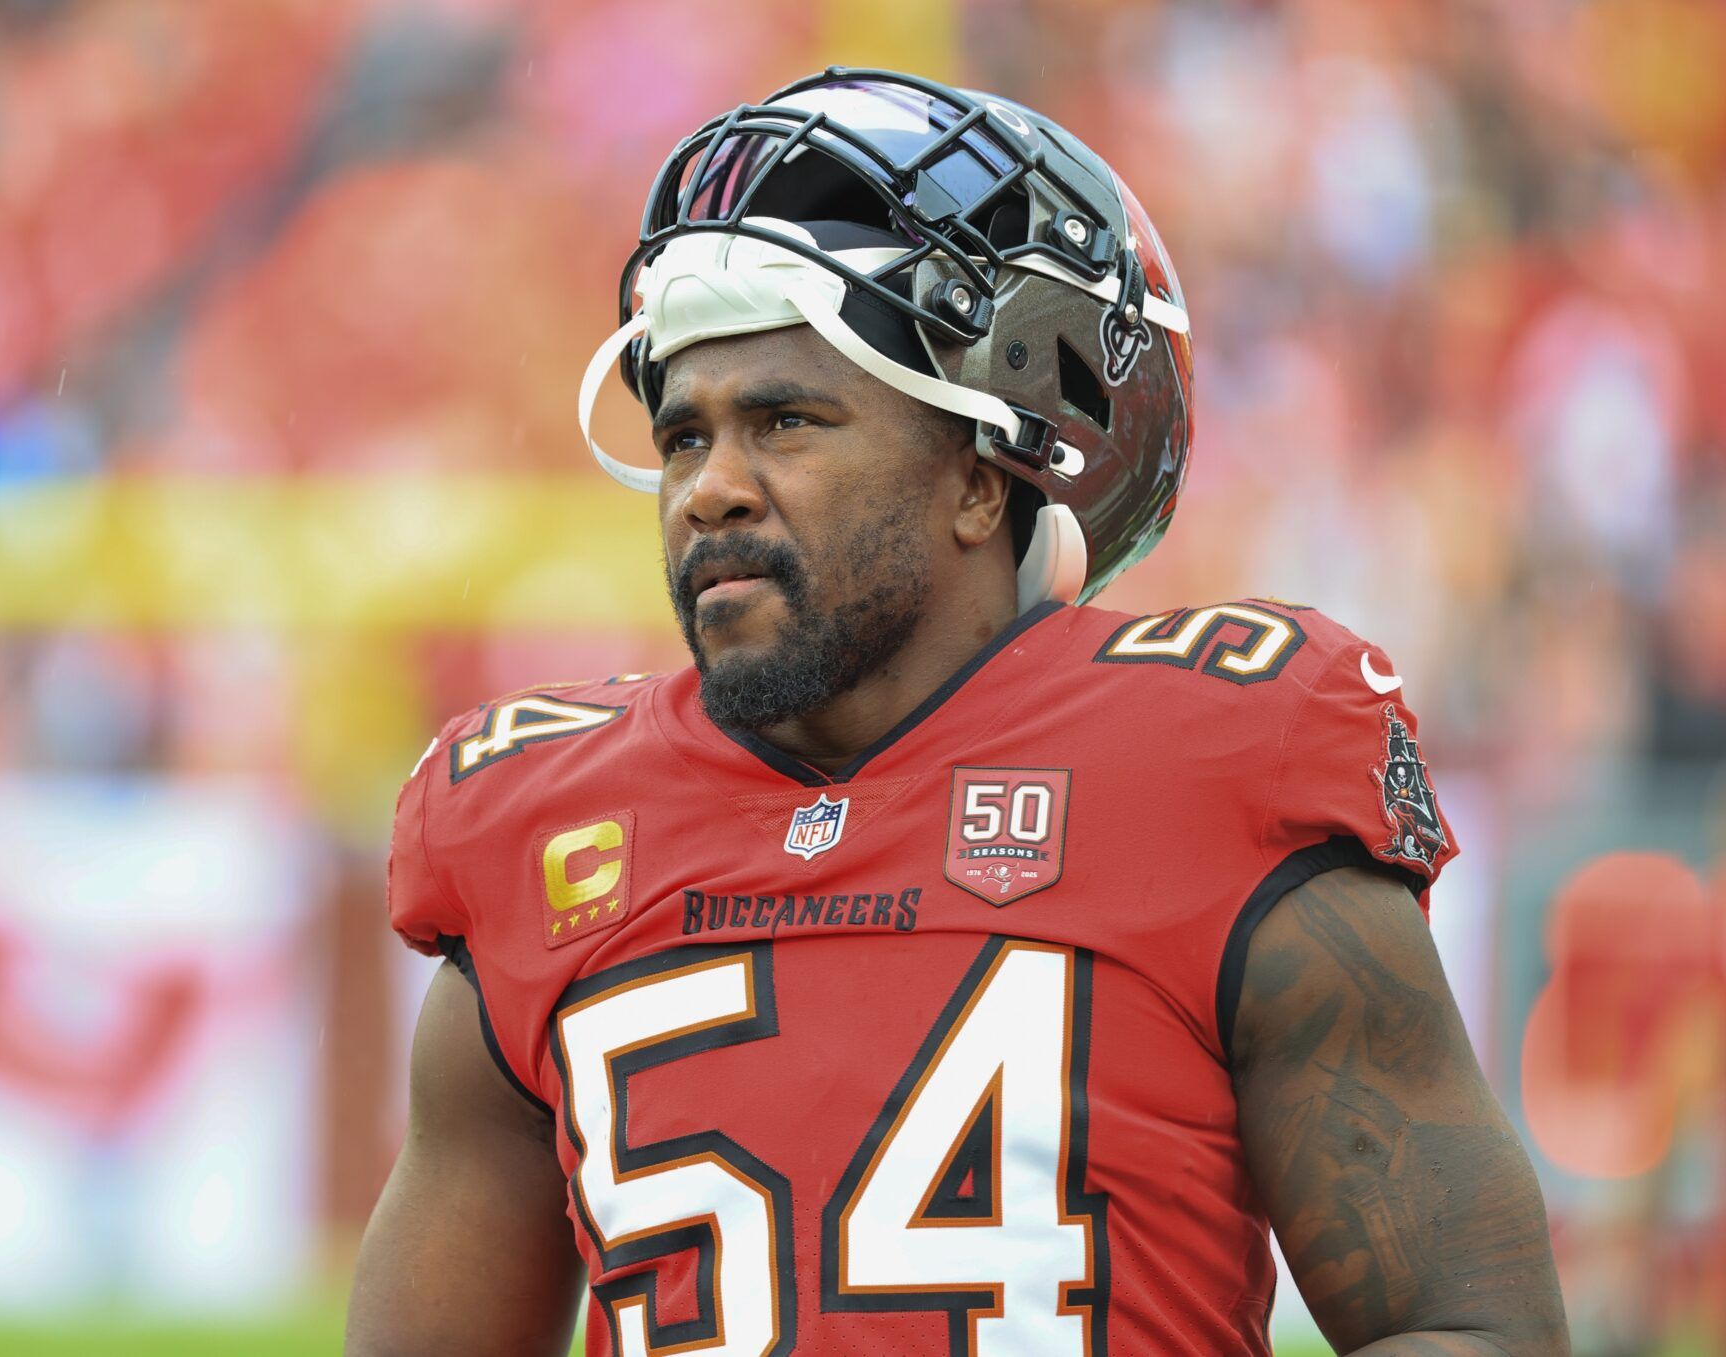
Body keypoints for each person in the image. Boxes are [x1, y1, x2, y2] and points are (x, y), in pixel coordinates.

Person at [347, 68, 1568, 1356]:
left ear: (981, 482)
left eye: (786, 421)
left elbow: (1473, 1326)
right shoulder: (539, 825)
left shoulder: (1214, 760)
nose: (710, 490)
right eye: (685, 437)